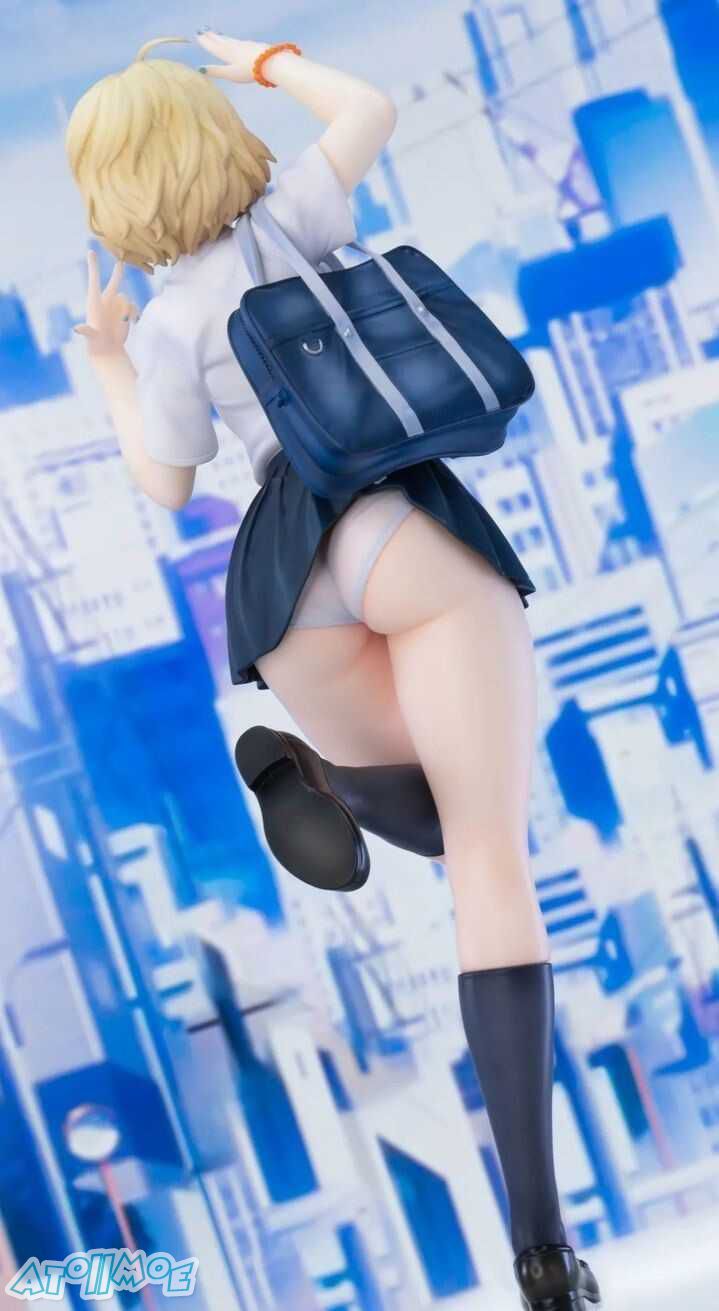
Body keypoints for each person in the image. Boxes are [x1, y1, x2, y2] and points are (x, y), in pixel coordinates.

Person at [66, 31, 601, 1309]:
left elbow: (167, 487)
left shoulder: (169, 323)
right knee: (486, 856)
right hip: (398, 530)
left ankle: (315, 771)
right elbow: (367, 104)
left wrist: (111, 370)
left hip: (281, 587)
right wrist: (259, 60)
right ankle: (540, 1250)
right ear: (212, 144)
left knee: (446, 826)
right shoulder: (296, 214)